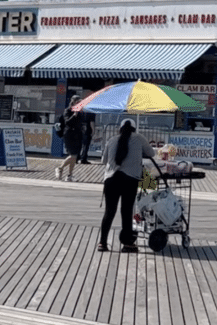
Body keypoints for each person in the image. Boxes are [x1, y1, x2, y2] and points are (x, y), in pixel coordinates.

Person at [98, 118, 155, 252]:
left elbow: (103, 160)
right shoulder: (139, 138)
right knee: (127, 210)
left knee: (109, 211)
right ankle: (128, 244)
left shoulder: (112, 140)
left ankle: (102, 243)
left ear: (120, 128)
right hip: (130, 179)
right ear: (134, 129)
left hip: (111, 179)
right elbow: (151, 153)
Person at [55, 95, 84, 182]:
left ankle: (69, 175)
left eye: (80, 102)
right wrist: (74, 115)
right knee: (73, 155)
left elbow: (80, 123)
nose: (79, 103)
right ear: (73, 102)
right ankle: (60, 168)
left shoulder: (80, 112)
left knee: (74, 157)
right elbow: (67, 122)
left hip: (77, 135)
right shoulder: (67, 110)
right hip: (69, 135)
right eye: (77, 102)